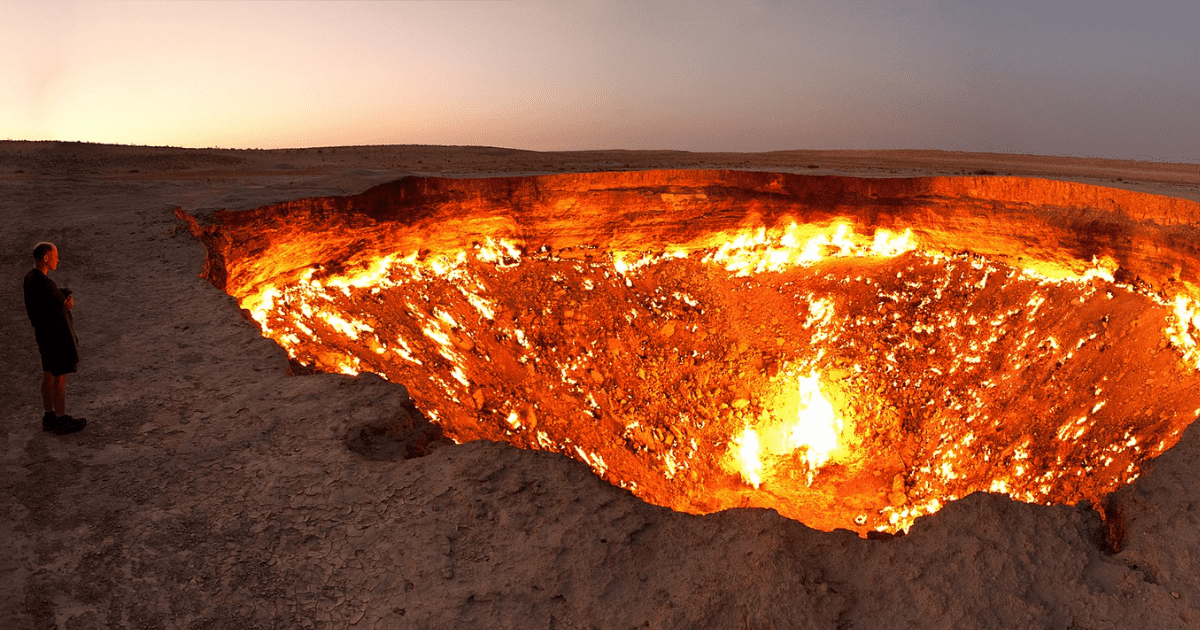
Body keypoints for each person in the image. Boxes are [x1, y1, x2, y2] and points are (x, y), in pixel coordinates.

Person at [23, 242, 86, 435]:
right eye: (55, 256)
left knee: (48, 373)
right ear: (46, 258)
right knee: (60, 377)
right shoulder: (45, 283)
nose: (58, 259)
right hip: (55, 336)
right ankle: (61, 419)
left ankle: (49, 416)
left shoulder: (30, 278)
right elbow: (63, 304)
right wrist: (67, 302)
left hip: (43, 334)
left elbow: (53, 298)